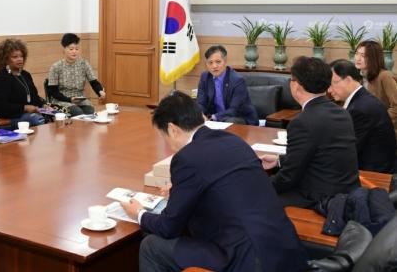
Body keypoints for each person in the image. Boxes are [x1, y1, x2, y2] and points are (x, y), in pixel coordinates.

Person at [121, 91, 307, 272]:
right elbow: (223, 186)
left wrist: (138, 214)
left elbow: (168, 227)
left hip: (245, 259)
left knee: (151, 247)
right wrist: (182, 190)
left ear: (172, 129)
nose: (168, 143)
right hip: (284, 250)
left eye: (164, 137)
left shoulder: (187, 158)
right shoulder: (234, 141)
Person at [259, 56, 360, 208]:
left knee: (253, 200)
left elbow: (287, 178)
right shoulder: (341, 113)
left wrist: (256, 185)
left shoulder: (302, 122)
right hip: (346, 191)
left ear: (297, 86)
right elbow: (317, 154)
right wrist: (279, 160)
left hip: (320, 199)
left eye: (291, 79)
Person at [329, 59, 395, 172]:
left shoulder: (361, 109)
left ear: (348, 80)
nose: (329, 90)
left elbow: (347, 150)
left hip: (374, 173)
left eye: (332, 83)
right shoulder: (362, 99)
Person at [0, 39, 45, 129]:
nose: (20, 59)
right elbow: (0, 107)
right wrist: (24, 108)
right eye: (15, 57)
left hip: (27, 114)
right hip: (8, 117)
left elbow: (34, 97)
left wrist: (43, 106)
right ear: (5, 59)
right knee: (37, 119)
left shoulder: (26, 75)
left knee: (55, 115)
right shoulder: (1, 78)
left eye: (21, 56)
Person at [196, 45, 258, 125]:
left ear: (225, 61)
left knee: (230, 121)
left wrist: (212, 117)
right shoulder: (205, 77)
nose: (214, 66)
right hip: (215, 119)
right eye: (210, 63)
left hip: (240, 119)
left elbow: (235, 110)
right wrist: (200, 115)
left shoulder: (237, 80)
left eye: (218, 62)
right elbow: (201, 103)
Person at [47, 33, 106, 116]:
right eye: (71, 49)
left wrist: (100, 91)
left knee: (90, 111)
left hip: (80, 100)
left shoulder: (84, 64)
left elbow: (94, 82)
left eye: (77, 49)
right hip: (62, 101)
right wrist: (69, 99)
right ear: (64, 49)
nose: (74, 51)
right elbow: (52, 91)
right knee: (77, 112)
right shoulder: (56, 67)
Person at [355, 40, 397, 142]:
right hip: (364, 130)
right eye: (357, 53)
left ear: (373, 58)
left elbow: (396, 106)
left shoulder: (385, 76)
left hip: (382, 132)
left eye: (363, 56)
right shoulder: (358, 77)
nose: (358, 58)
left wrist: (377, 122)